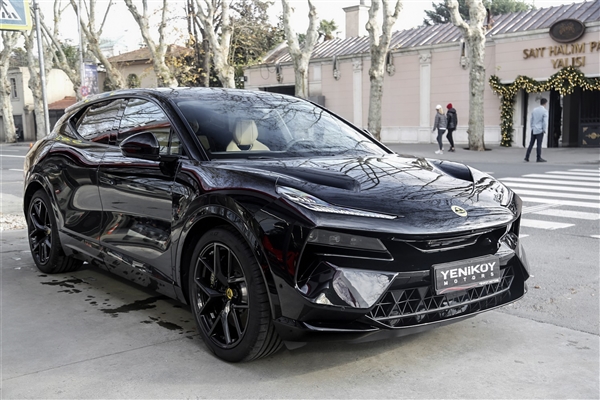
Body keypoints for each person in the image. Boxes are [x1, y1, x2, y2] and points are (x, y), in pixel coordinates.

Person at [525, 98, 548, 162]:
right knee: (539, 144)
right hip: (540, 130)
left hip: (534, 129)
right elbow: (545, 122)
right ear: (545, 103)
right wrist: (544, 129)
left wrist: (532, 127)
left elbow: (531, 119)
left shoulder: (534, 110)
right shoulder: (545, 111)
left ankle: (527, 156)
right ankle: (538, 157)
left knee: (531, 143)